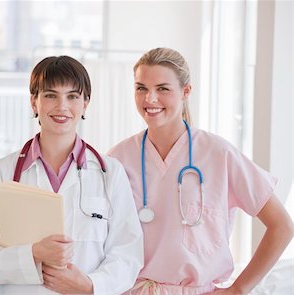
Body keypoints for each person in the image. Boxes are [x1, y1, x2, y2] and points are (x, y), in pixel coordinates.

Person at [108, 47, 294, 294]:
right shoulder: (118, 158)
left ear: (186, 92)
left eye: (162, 88)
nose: (149, 99)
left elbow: (282, 226)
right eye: (141, 88)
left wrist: (238, 289)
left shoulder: (219, 154)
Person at [0, 55, 143, 294]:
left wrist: (90, 285)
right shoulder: (1, 173)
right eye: (50, 95)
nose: (62, 106)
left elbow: (128, 254)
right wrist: (33, 254)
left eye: (72, 96)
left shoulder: (110, 173)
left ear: (85, 103)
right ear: (34, 102)